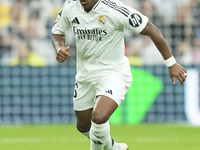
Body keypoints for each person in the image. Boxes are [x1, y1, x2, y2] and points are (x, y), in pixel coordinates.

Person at [51, 0, 187, 150]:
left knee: (99, 117)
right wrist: (59, 48)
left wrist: (171, 63)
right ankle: (115, 148)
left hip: (113, 72)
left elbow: (151, 29)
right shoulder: (70, 6)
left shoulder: (114, 9)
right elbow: (57, 31)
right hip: (85, 75)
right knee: (83, 126)